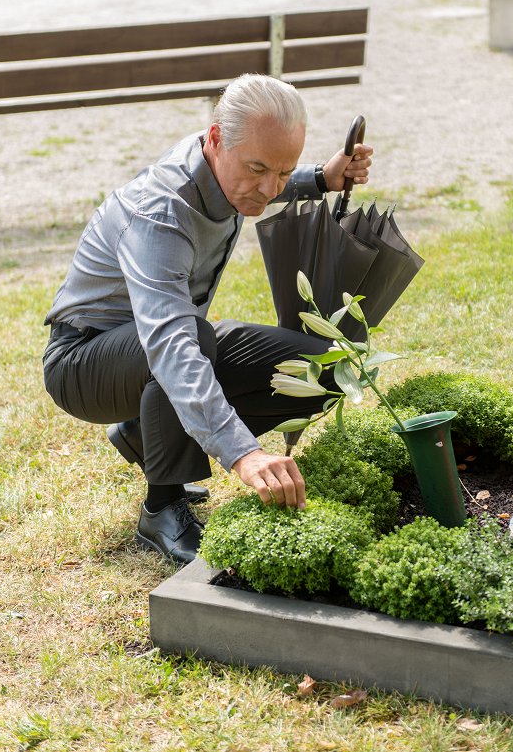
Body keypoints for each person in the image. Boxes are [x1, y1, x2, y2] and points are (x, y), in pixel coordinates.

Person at [43, 74, 373, 564]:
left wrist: (319, 178)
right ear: (216, 138)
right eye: (258, 168)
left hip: (159, 346)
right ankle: (162, 508)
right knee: (191, 337)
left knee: (326, 366)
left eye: (280, 172)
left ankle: (145, 431)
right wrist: (244, 453)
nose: (267, 189)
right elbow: (170, 344)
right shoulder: (160, 213)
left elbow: (260, 181)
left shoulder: (226, 169)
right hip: (83, 364)